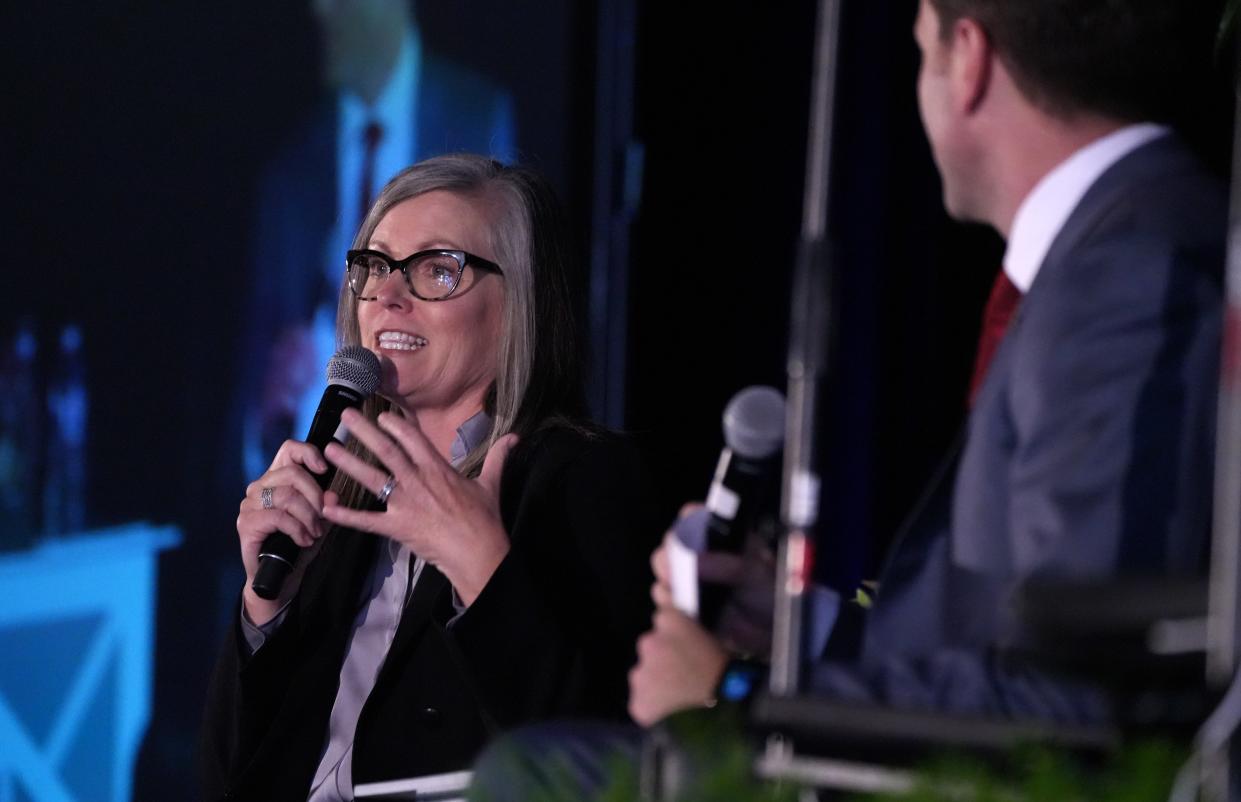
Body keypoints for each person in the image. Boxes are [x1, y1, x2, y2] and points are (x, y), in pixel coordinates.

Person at [469, 1, 1228, 795]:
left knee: (533, 775)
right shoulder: (1118, 248)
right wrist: (809, 626)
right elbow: (1012, 629)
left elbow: (1076, 703)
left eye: (918, 50)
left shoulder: (1132, 277)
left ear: (965, 60)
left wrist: (738, 698)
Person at [200, 154, 660, 801]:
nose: (386, 295)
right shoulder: (336, 497)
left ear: (517, 307)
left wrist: (481, 567)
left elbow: (602, 766)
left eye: (437, 270)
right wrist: (265, 608)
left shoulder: (581, 480)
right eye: (374, 266)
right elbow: (229, 781)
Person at [233, 0, 516, 484]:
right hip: (321, 491)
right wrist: (263, 422)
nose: (320, 11)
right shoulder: (290, 165)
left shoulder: (477, 116)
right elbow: (256, 382)